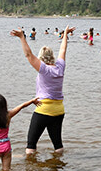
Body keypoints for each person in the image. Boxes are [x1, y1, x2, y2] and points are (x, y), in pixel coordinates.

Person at [11, 25, 75, 155]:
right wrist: (65, 34)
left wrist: (22, 37)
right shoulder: (60, 67)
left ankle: (31, 170)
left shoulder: (44, 69)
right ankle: (58, 168)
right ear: (52, 56)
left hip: (43, 108)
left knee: (31, 144)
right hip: (59, 110)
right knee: (58, 144)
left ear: (41, 58)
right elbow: (63, 49)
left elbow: (28, 55)